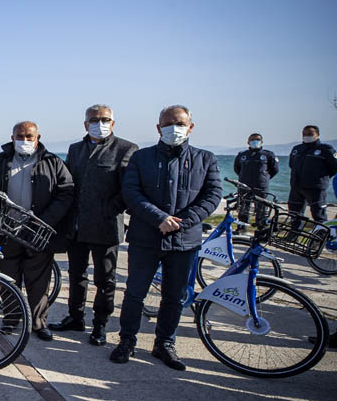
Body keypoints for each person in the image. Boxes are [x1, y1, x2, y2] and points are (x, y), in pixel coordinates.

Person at [111, 105, 221, 370]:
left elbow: (212, 195)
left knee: (175, 296)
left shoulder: (205, 159)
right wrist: (159, 218)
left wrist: (182, 222)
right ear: (158, 128)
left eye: (180, 123)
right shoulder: (142, 157)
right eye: (168, 124)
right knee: (135, 293)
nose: (175, 128)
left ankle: (164, 344)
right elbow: (131, 193)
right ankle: (127, 340)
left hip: (185, 241)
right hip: (145, 237)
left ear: (190, 127)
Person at [50, 105, 137, 346]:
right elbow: (68, 182)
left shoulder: (126, 149)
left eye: (105, 119)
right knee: (76, 275)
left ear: (113, 122)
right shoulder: (76, 149)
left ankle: (100, 325)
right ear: (85, 124)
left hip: (105, 227)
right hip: (76, 226)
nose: (100, 123)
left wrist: (107, 210)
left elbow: (128, 190)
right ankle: (75, 317)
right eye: (95, 120)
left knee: (105, 279)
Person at [0, 121, 73, 341]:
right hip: (7, 231)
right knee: (9, 279)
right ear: (12, 138)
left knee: (38, 281)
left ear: (37, 137)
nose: (24, 140)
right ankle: (11, 320)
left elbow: (67, 193)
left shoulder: (52, 162)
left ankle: (39, 323)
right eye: (20, 136)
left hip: (38, 233)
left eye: (29, 136)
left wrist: (45, 220)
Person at [288, 125, 337, 222]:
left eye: (310, 134)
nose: (307, 136)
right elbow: (291, 165)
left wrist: (319, 178)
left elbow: (334, 167)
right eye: (304, 134)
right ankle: (294, 235)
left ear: (317, 135)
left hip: (316, 189)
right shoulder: (297, 149)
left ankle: (321, 235)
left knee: (319, 216)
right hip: (297, 187)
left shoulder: (325, 149)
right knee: (294, 215)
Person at [232, 133, 278, 223]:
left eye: (257, 140)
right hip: (244, 185)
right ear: (248, 142)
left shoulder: (268, 155)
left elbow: (274, 169)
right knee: (243, 207)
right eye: (252, 140)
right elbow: (237, 168)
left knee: (261, 208)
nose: (254, 142)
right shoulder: (242, 155)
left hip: (261, 186)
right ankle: (242, 226)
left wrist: (264, 178)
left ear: (261, 141)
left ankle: (261, 227)